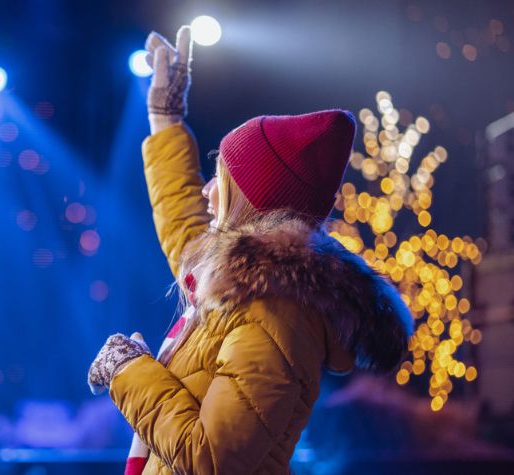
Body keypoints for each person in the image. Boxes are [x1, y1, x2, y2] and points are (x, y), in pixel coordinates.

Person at [87, 26, 414, 475]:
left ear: (251, 201)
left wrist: (129, 373)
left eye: (220, 179)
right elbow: (182, 223)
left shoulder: (274, 311)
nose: (207, 191)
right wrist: (165, 118)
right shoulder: (246, 282)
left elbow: (212, 458)